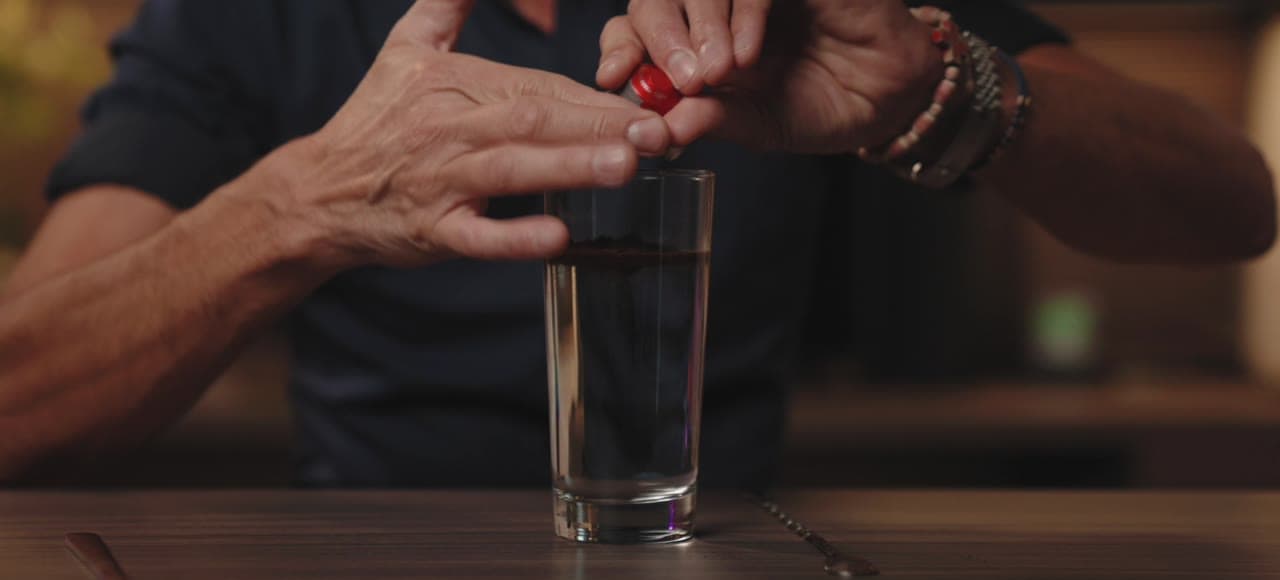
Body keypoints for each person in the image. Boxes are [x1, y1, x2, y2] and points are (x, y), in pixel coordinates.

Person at [0, 0, 1272, 487]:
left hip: (710, 552)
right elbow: (21, 401)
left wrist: (937, 91)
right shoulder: (244, 14)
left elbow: (1231, 202)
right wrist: (300, 205)